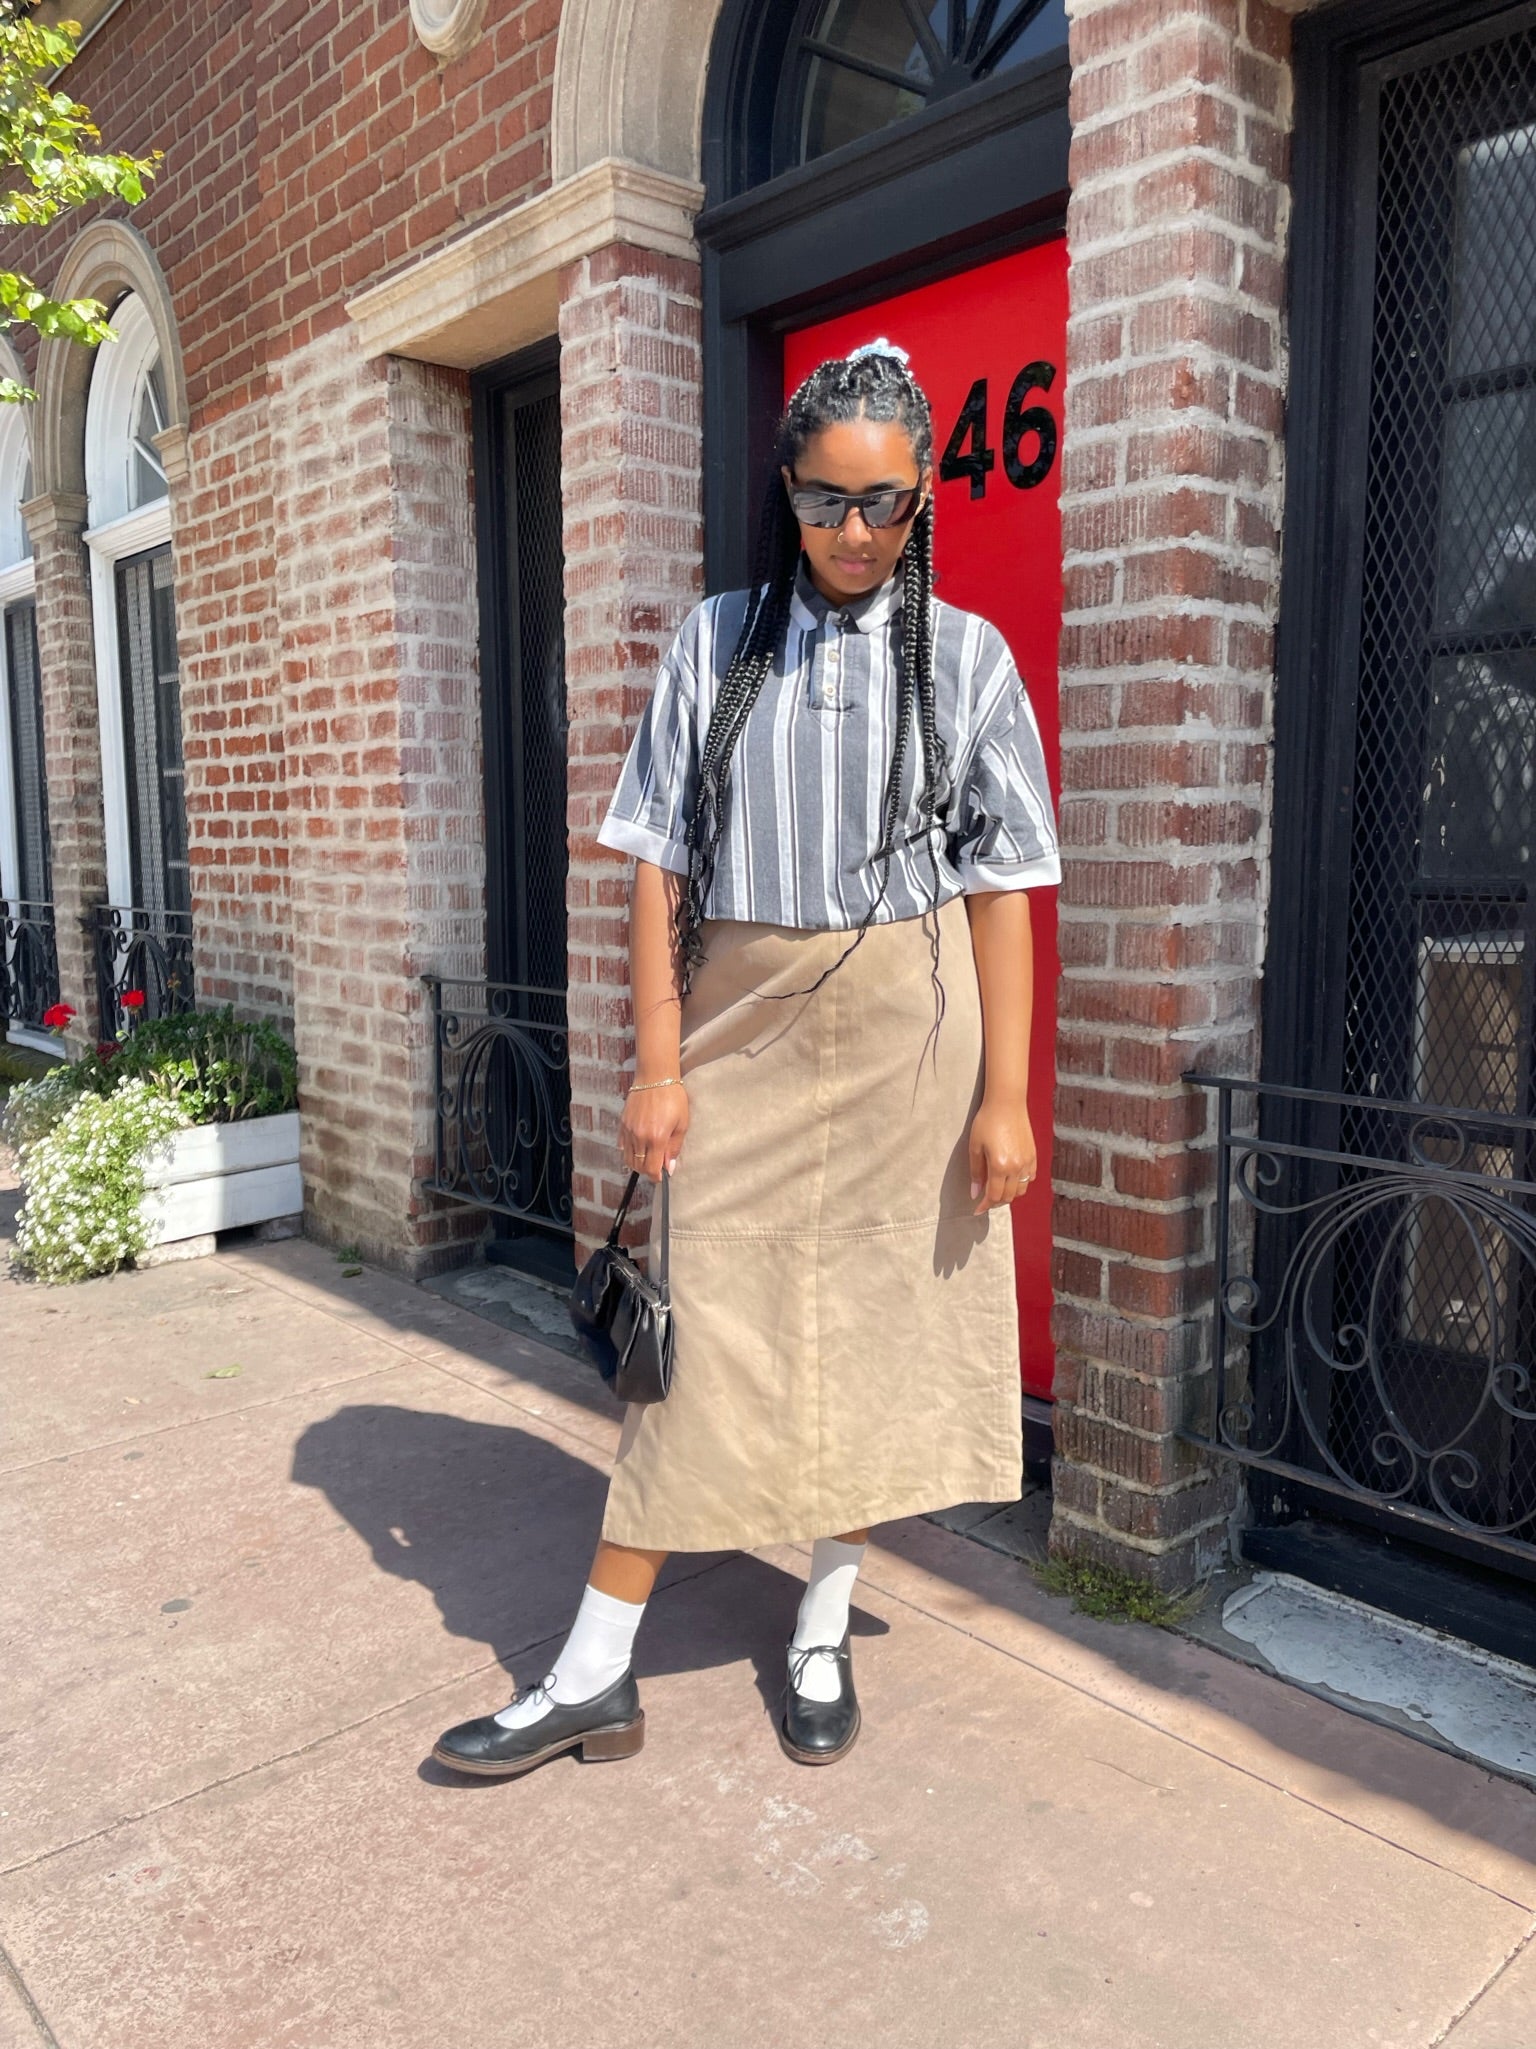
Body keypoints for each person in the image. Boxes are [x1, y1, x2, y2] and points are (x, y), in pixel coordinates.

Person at [434, 338, 1060, 1778]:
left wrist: (1008, 1095)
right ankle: (597, 1669)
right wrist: (657, 1064)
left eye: (885, 504)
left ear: (922, 500)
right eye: (829, 500)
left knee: (876, 1326)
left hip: (913, 1025)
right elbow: (654, 867)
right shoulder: (714, 640)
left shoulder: (968, 660)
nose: (856, 532)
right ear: (787, 490)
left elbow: (1007, 886)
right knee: (698, 1354)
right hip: (741, 1025)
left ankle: (823, 1624)